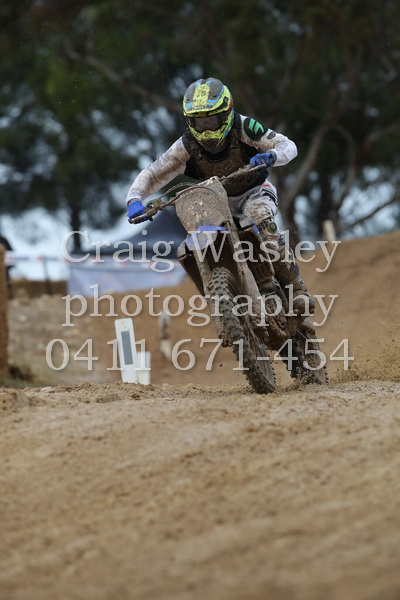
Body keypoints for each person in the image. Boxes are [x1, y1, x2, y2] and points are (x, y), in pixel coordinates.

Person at [126, 77, 314, 315]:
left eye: (211, 120)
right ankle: (224, 298)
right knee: (199, 237)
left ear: (226, 113)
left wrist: (272, 156)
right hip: (216, 201)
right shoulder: (185, 145)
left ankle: (296, 289)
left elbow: (287, 145)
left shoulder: (244, 127)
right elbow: (152, 174)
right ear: (190, 121)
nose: (206, 127)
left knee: (260, 219)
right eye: (199, 121)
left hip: (255, 192)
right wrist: (134, 200)